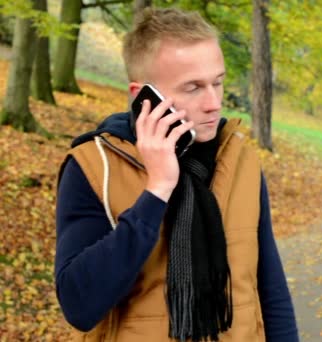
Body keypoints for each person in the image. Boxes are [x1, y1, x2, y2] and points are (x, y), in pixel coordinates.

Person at [54, 7, 298, 342]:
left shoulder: (241, 160)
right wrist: (157, 190)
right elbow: (80, 305)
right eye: (193, 87)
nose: (213, 103)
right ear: (142, 97)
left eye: (218, 82)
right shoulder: (95, 166)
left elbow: (270, 289)